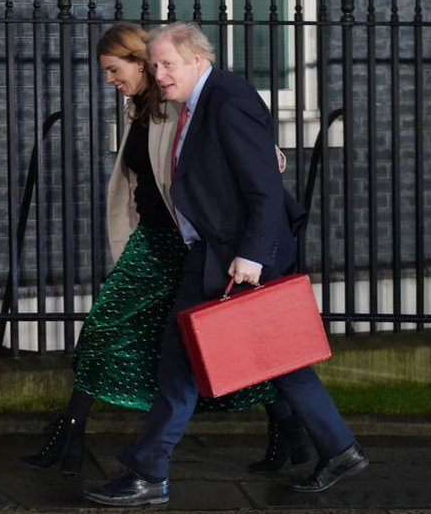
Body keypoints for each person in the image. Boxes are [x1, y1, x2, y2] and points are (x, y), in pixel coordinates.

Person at [83, 21, 368, 507]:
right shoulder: (192, 104)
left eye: (167, 64)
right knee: (280, 362)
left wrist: (251, 256)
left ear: (198, 59)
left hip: (235, 260)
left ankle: (148, 474)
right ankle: (338, 448)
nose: (160, 74)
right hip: (214, 253)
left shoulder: (228, 99)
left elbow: (262, 189)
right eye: (154, 65)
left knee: (180, 366)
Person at [18, 23, 305, 476]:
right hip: (153, 238)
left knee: (131, 331)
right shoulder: (144, 108)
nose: (111, 79)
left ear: (140, 62)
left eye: (116, 69)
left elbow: (241, 155)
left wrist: (268, 154)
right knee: (191, 345)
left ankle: (80, 440)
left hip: (180, 244)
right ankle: (287, 427)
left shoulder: (180, 106)